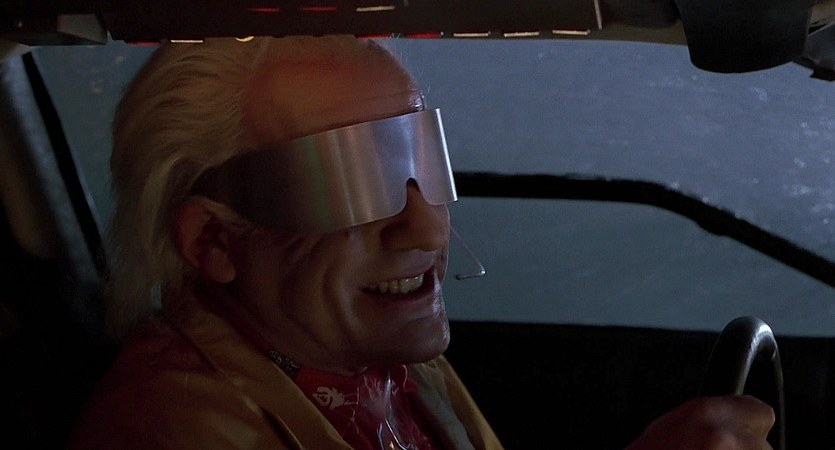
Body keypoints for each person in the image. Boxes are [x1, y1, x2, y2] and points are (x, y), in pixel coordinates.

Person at [69, 36, 775, 449]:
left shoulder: (374, 360)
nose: (428, 227)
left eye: (420, 163)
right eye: (351, 183)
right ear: (214, 242)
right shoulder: (173, 430)